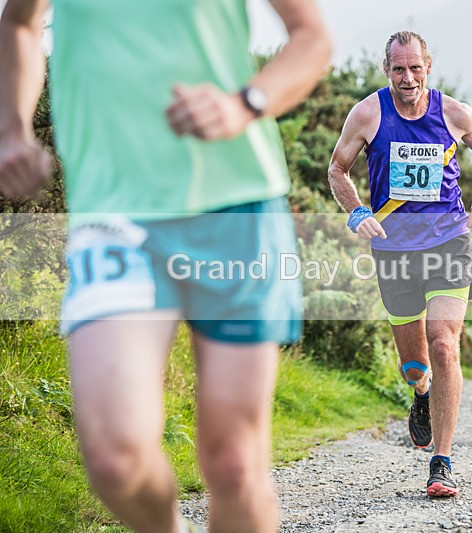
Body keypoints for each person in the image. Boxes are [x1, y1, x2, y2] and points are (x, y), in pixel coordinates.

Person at [0, 1, 331, 531]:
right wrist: (12, 129)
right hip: (115, 213)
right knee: (116, 458)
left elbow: (311, 37)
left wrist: (244, 104)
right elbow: (19, 21)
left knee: (236, 464)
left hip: (237, 205)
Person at [327, 30, 472, 498]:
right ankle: (421, 395)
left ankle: (441, 463)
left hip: (447, 243)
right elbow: (336, 169)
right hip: (394, 251)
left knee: (444, 344)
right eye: (398, 69)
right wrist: (357, 211)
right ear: (387, 70)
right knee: (414, 364)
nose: (408, 77)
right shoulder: (368, 113)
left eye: (415, 67)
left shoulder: (454, 113)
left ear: (428, 67)